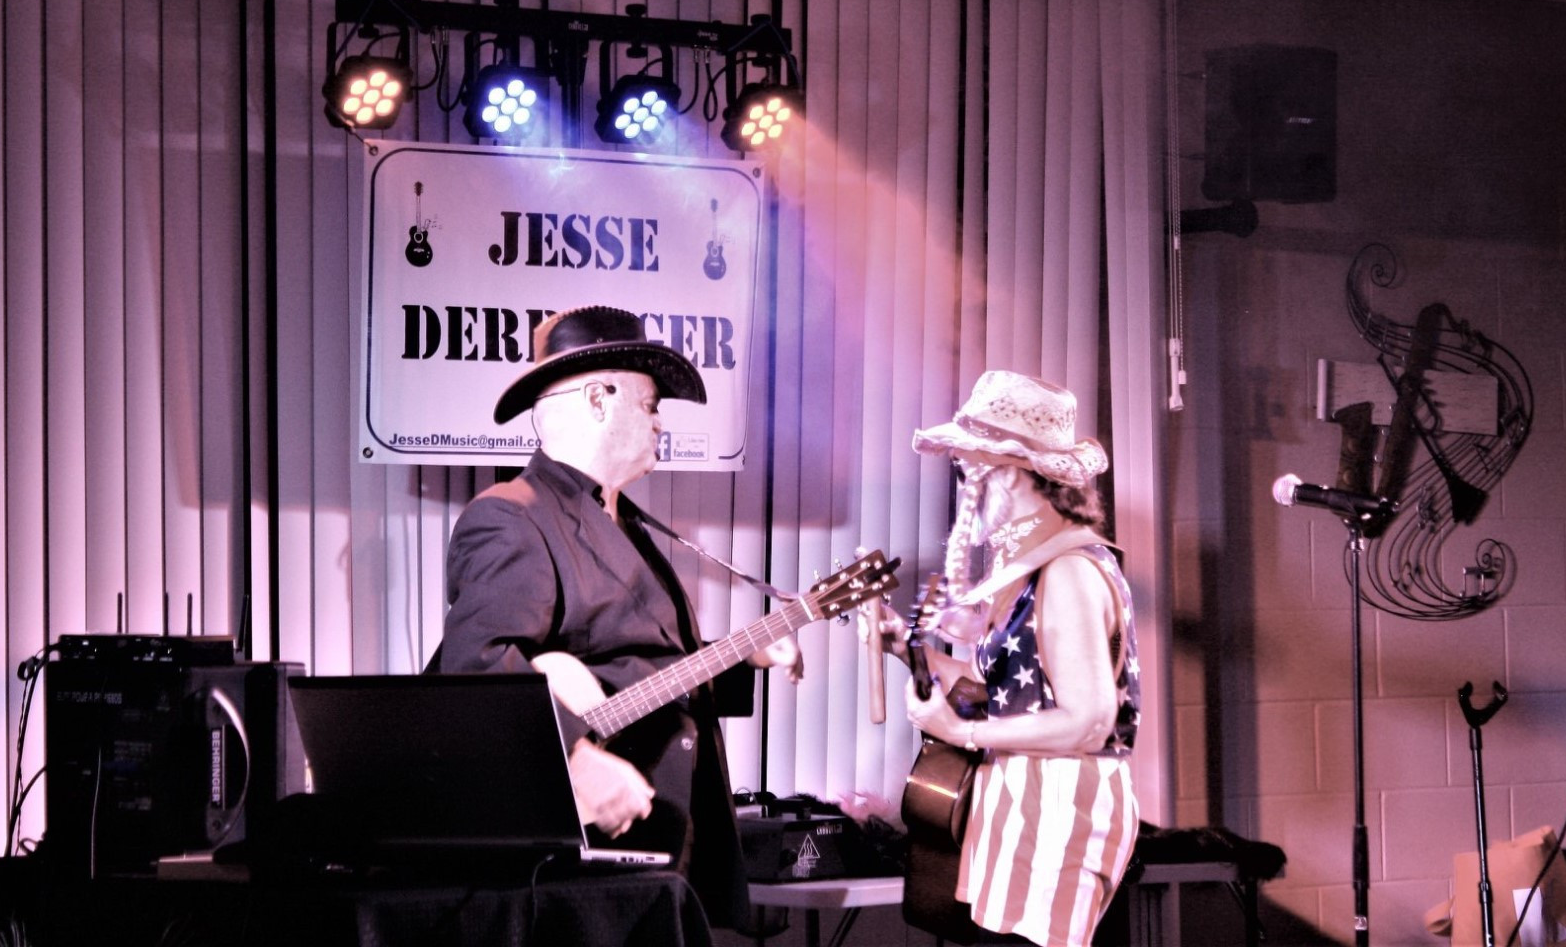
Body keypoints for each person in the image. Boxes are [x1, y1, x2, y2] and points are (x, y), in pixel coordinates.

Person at [431, 304, 798, 929]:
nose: (660, 423)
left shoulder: (624, 523)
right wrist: (576, 759)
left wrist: (745, 656)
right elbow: (476, 674)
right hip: (581, 869)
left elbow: (640, 667)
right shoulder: (513, 516)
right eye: (650, 404)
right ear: (598, 399)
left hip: (661, 838)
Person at [880, 369, 1141, 947]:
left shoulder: (1068, 569)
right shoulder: (1033, 567)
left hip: (1060, 811)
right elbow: (995, 688)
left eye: (968, 469)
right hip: (1020, 805)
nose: (963, 485)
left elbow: (1089, 720)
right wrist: (903, 644)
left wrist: (960, 733)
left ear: (1013, 473)